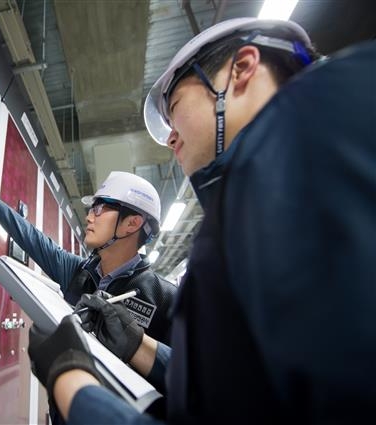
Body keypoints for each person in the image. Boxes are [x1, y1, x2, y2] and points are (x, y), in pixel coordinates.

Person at [27, 17, 376, 425]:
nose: (171, 138)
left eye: (174, 109)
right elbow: (240, 387)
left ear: (242, 69)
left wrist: (70, 379)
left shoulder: (293, 156)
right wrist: (140, 347)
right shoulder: (276, 173)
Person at [0, 168, 177, 344]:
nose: (89, 217)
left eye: (99, 208)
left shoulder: (166, 299)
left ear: (132, 223)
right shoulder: (78, 273)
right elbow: (33, 239)